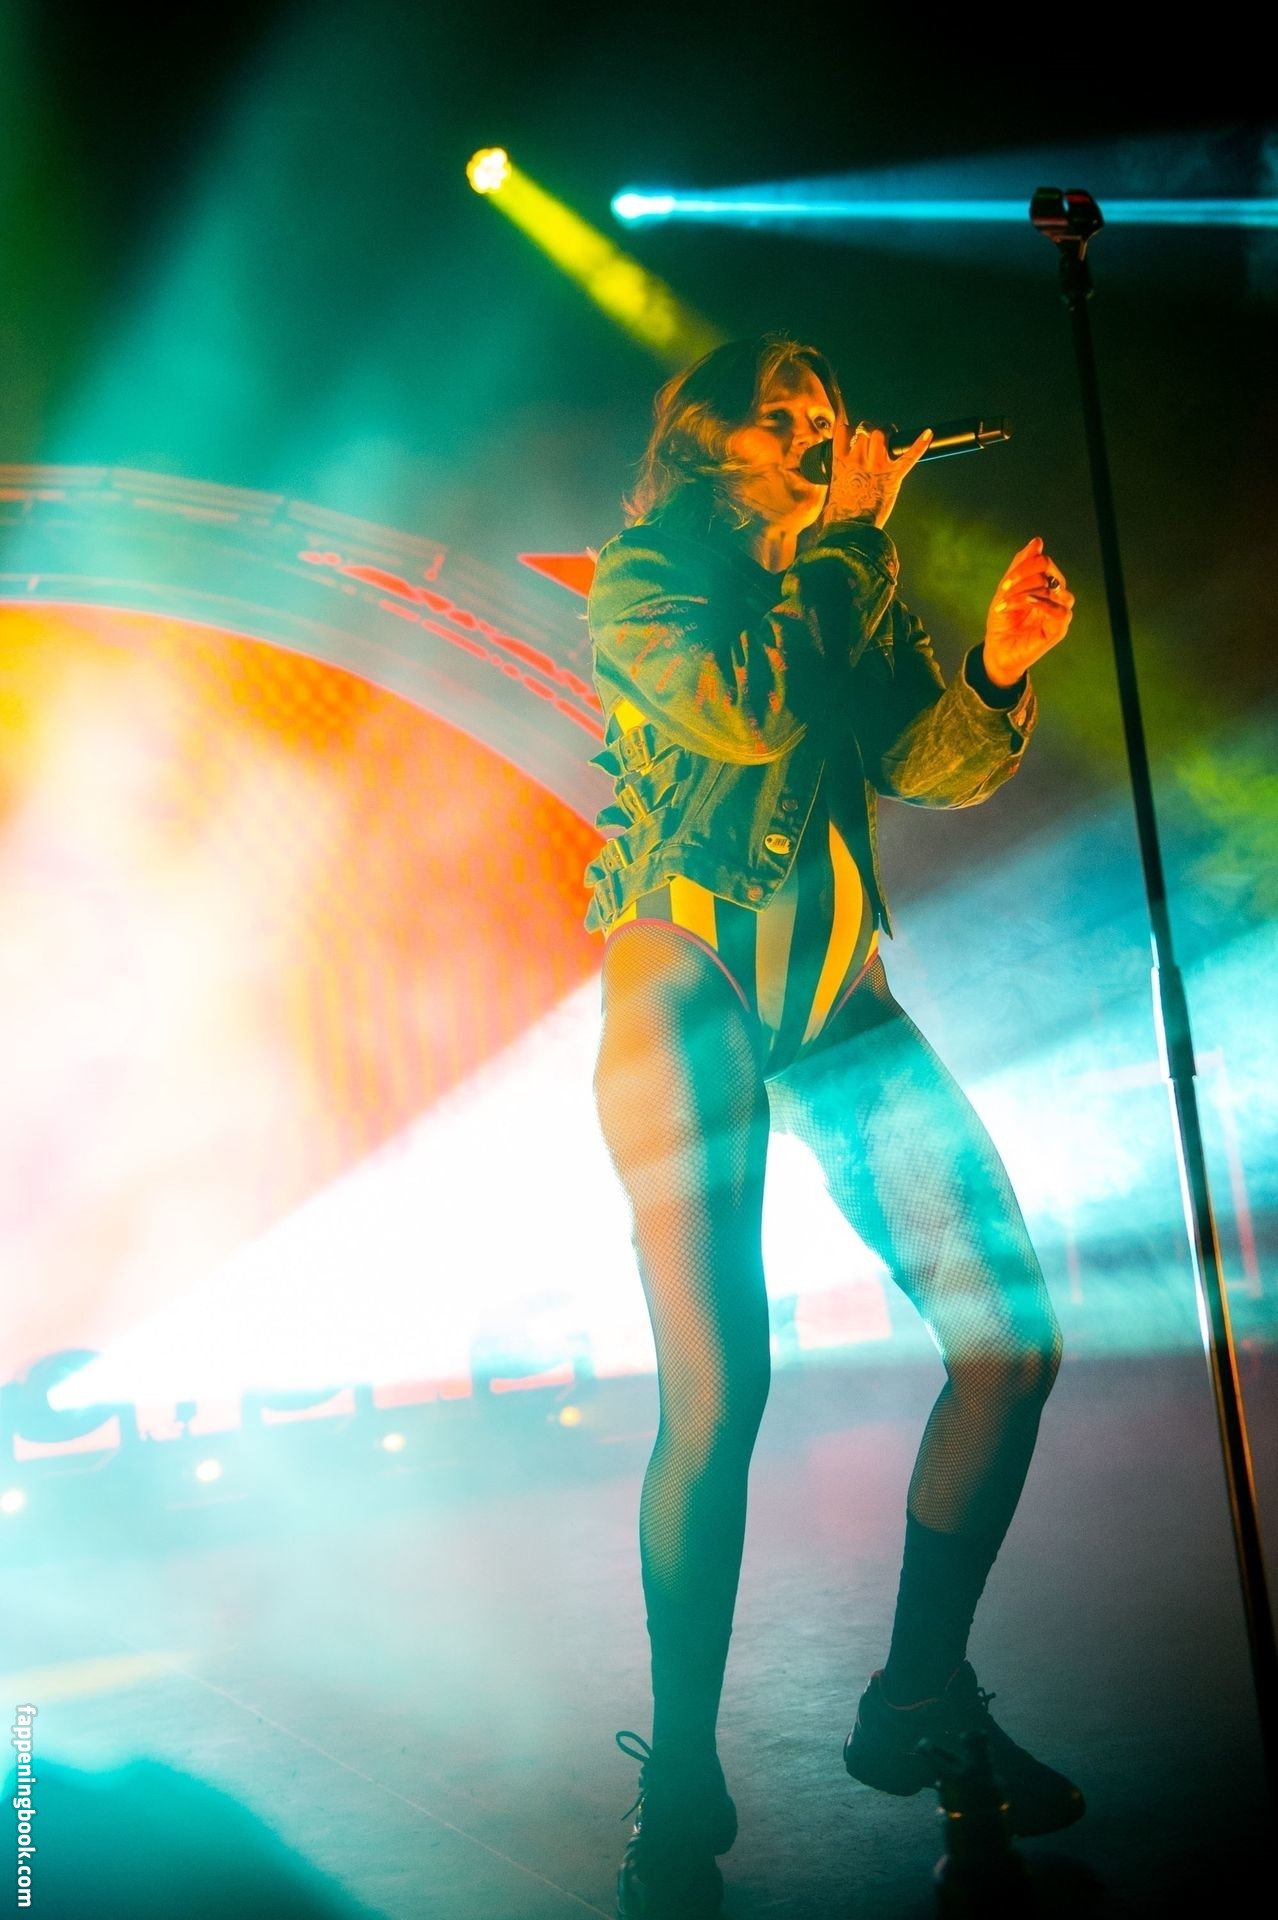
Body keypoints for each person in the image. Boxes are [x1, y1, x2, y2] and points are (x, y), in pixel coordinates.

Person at [584, 333, 1081, 1920]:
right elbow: (740, 713)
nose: (817, 431)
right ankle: (678, 1773)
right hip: (690, 995)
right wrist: (850, 544)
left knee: (1009, 1340)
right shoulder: (648, 576)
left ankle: (917, 1692)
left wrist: (994, 667)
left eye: (826, 412)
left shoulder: (835, 577)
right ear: (704, 437)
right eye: (782, 413)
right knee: (718, 1397)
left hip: (838, 1003)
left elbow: (919, 758)